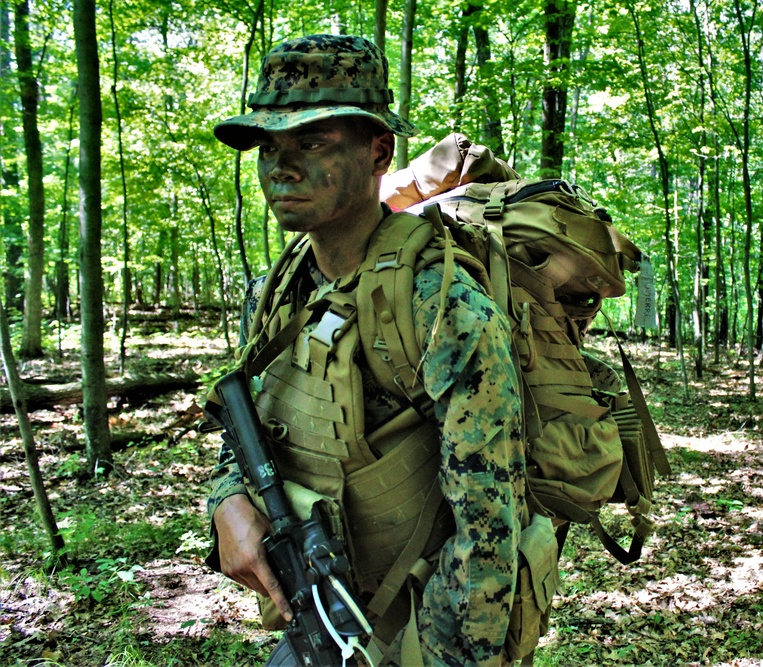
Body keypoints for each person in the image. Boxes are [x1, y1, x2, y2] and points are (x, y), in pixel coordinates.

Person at [205, 34, 526, 667]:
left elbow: (488, 529)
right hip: (320, 605)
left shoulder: (442, 307)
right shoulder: (279, 289)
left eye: (312, 143)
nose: (280, 166)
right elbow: (244, 420)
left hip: (423, 626)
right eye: (267, 147)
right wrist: (226, 500)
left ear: (379, 152)